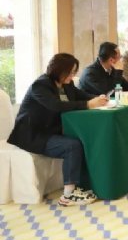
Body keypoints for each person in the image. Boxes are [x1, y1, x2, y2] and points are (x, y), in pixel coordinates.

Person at [7, 53, 108, 206]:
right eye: (70, 72)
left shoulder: (67, 84)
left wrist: (99, 98)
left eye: (74, 72)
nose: (73, 76)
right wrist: (88, 104)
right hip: (33, 135)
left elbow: (82, 95)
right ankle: (68, 195)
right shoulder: (40, 85)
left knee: (85, 138)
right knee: (72, 145)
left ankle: (85, 183)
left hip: (51, 130)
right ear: (59, 70)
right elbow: (55, 105)